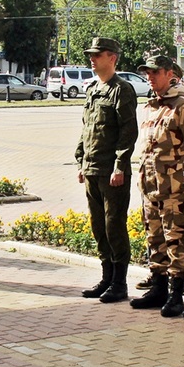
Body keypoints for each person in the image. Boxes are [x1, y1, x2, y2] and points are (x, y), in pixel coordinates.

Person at [129, 54, 184, 317]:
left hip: (173, 187)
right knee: (155, 236)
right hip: (149, 185)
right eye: (147, 73)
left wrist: (181, 177)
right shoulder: (151, 106)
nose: (150, 77)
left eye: (155, 72)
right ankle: (158, 286)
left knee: (176, 238)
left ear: (170, 73)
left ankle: (176, 292)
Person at [75, 37, 139, 302]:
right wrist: (81, 160)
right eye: (91, 54)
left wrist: (120, 166)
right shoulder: (92, 89)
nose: (92, 58)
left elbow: (128, 131)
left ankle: (120, 283)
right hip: (92, 168)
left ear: (112, 57)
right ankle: (106, 277)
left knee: (114, 226)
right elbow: (86, 128)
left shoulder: (121, 89)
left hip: (112, 172)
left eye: (97, 54)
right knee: (98, 226)